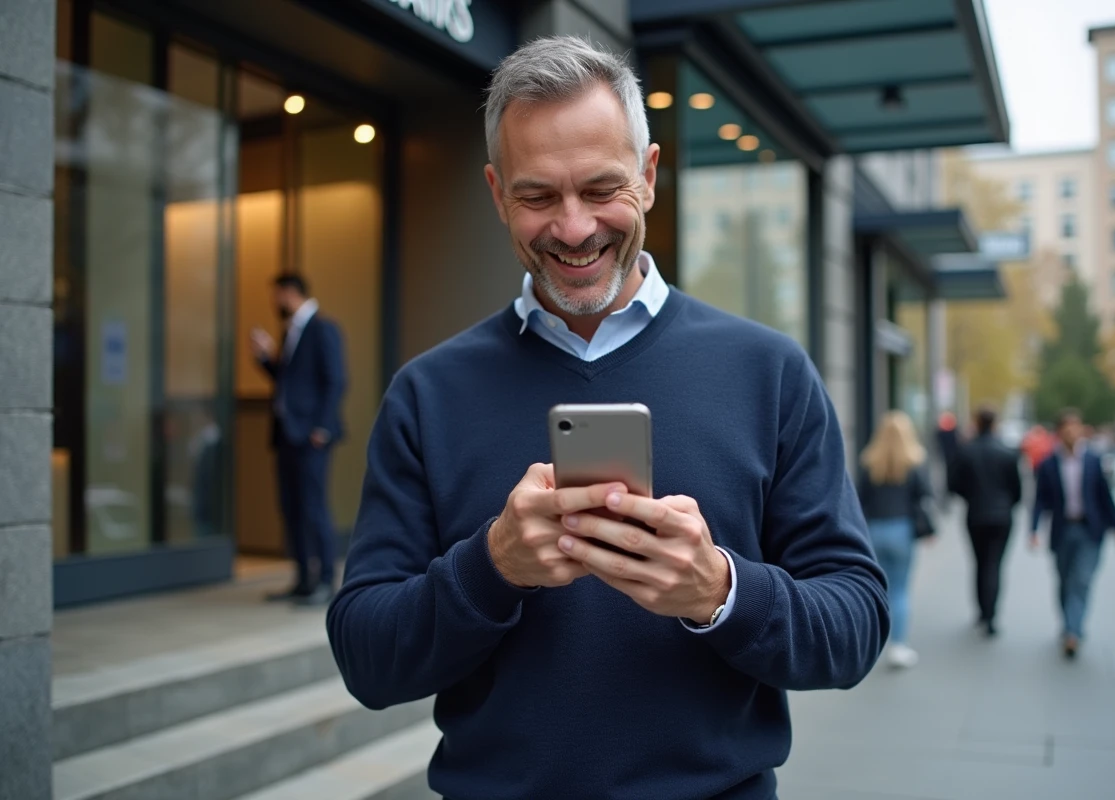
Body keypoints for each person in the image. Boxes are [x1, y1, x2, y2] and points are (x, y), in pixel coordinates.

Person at [326, 36, 888, 800]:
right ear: (496, 194)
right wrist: (489, 568)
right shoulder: (427, 394)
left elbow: (854, 625)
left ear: (649, 177)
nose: (573, 227)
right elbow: (366, 658)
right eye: (536, 197)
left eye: (601, 189)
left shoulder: (769, 372)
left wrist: (718, 591)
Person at [250, 274, 347, 607]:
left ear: (289, 293)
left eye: (276, 296)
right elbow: (289, 384)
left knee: (313, 507)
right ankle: (303, 579)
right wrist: (266, 359)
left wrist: (321, 428)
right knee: (292, 508)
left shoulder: (322, 328)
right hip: (287, 435)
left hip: (311, 437)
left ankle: (325, 582)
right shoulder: (292, 331)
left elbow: (335, 380)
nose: (274, 303)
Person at [1030, 408, 1115, 659]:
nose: (1072, 432)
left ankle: (1074, 631)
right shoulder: (1049, 463)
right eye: (1067, 428)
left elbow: (1105, 497)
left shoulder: (1094, 460)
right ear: (1060, 432)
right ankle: (1068, 623)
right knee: (1064, 581)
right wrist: (1033, 529)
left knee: (1082, 580)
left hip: (1089, 529)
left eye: (1076, 427)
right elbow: (1040, 500)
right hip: (1063, 530)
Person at [856, 411, 933, 669]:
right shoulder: (915, 461)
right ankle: (898, 646)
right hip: (902, 529)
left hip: (873, 530)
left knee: (876, 589)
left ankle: (871, 644)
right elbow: (924, 495)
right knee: (899, 589)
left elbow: (858, 499)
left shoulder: (868, 462)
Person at [949, 405, 1023, 637]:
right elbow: (1017, 490)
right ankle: (991, 615)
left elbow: (953, 485)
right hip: (1001, 516)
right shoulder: (1008, 452)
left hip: (976, 514)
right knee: (994, 565)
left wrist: (972, 497)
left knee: (980, 563)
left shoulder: (966, 451)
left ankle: (983, 612)